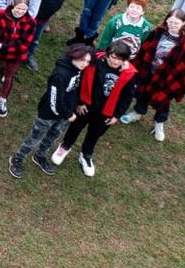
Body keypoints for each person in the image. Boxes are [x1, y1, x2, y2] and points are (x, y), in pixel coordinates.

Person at [49, 41, 138, 177]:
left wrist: (117, 115)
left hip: (107, 111)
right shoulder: (94, 60)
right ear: (107, 54)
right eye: (113, 57)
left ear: (125, 60)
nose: (116, 62)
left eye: (120, 59)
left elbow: (127, 96)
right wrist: (79, 102)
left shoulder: (129, 73)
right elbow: (80, 80)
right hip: (86, 106)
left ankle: (86, 155)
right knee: (75, 127)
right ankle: (65, 146)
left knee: (95, 134)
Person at [10, 44, 93, 178]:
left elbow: (75, 90)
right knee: (34, 138)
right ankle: (17, 158)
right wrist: (67, 114)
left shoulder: (79, 70)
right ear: (74, 55)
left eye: (88, 61)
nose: (85, 64)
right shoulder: (60, 74)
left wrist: (78, 104)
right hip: (48, 114)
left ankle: (40, 156)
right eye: (82, 60)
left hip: (65, 115)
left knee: (52, 137)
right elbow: (54, 100)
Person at [121, 11, 185, 142]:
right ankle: (138, 112)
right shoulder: (158, 32)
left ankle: (159, 124)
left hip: (167, 78)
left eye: (176, 23)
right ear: (166, 20)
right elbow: (145, 49)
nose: (173, 25)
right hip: (149, 71)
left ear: (183, 23)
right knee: (143, 93)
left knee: (163, 102)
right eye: (170, 21)